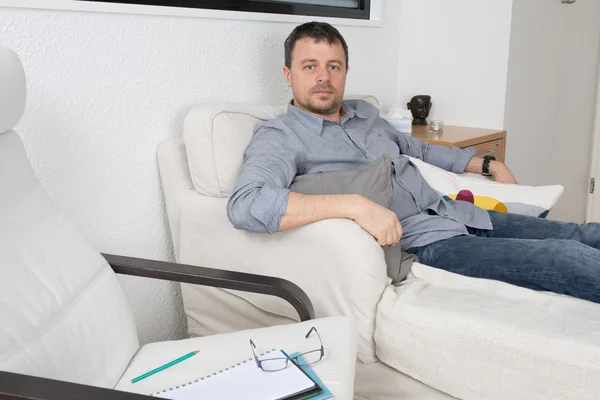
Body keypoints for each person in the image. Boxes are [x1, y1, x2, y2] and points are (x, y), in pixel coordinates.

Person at [227, 21, 600, 304]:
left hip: (453, 212)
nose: (324, 77)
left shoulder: (364, 114)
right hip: (426, 245)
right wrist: (354, 205)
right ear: (287, 75)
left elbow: (416, 148)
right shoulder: (281, 136)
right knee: (565, 256)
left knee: (581, 234)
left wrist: (486, 165)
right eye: (310, 66)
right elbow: (247, 204)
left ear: (345, 72)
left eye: (334, 66)